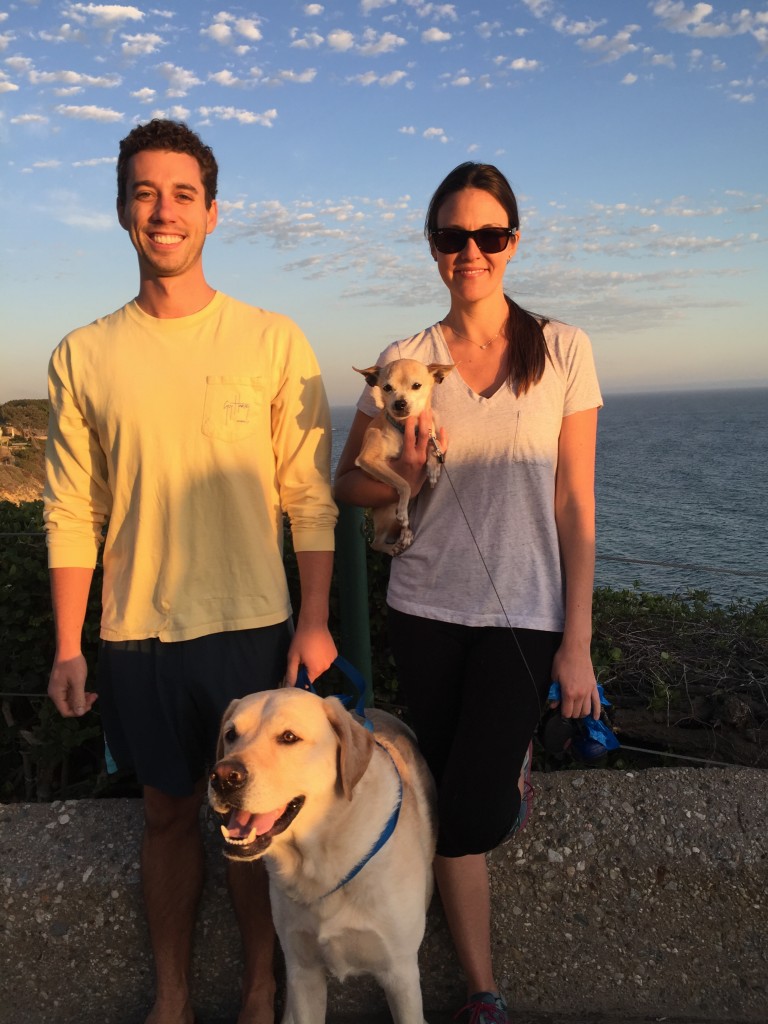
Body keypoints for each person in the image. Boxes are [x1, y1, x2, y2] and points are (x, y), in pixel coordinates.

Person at [44, 118, 338, 1024]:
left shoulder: (272, 339)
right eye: (144, 192)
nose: (162, 211)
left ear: (213, 213)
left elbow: (310, 496)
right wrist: (67, 645)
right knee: (168, 818)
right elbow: (71, 508)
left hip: (252, 627)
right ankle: (170, 999)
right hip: (136, 636)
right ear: (123, 211)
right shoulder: (81, 355)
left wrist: (316, 620)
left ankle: (260, 989)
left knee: (258, 829)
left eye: (181, 195)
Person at [334, 162, 602, 1024]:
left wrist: (579, 642)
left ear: (513, 242)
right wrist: (403, 473)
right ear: (434, 249)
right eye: (454, 237)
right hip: (424, 607)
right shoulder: (404, 361)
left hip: (526, 613)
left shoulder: (563, 348)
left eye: (489, 235)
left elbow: (575, 499)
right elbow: (350, 488)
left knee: (480, 803)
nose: (471, 251)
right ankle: (483, 992)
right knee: (446, 806)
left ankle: (515, 771)